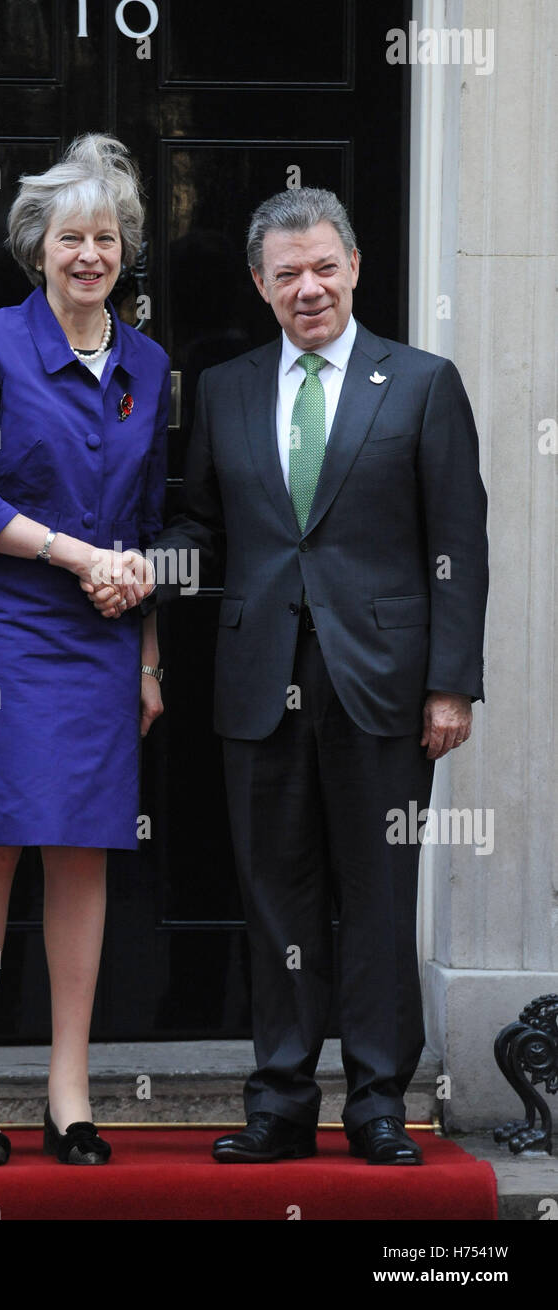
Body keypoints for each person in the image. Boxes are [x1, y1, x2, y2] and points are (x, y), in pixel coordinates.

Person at [86, 186, 489, 1165]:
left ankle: (378, 1104)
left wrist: (449, 684)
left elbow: (458, 544)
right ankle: (277, 1102)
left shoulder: (422, 383)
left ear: (352, 268)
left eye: (321, 267)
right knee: (275, 899)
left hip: (384, 686)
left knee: (379, 896)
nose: (306, 287)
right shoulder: (223, 388)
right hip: (257, 678)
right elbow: (202, 529)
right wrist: (143, 570)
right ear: (260, 285)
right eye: (285, 273)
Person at [0, 133, 169, 1166]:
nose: (87, 253)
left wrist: (149, 646)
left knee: (85, 845)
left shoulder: (148, 363)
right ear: (38, 247)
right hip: (4, 626)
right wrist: (77, 554)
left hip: (105, 634)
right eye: (70, 235)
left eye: (104, 236)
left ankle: (69, 1084)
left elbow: (154, 515)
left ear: (124, 250)